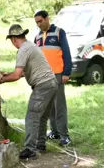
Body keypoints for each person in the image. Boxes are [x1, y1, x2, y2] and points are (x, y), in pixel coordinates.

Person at [0, 24, 57, 160]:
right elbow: (23, 72)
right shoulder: (31, 46)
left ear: (13, 39)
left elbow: (17, 75)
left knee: (32, 117)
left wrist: (2, 79)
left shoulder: (23, 49)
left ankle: (30, 149)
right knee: (41, 117)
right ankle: (40, 145)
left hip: (43, 85)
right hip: (52, 83)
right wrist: (7, 74)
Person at [33, 10, 73, 146]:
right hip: (43, 77)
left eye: (40, 21)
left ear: (47, 19)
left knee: (59, 105)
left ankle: (64, 136)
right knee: (48, 106)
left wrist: (66, 72)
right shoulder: (37, 37)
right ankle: (54, 131)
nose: (39, 24)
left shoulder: (58, 33)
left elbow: (67, 53)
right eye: (37, 22)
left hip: (57, 74)